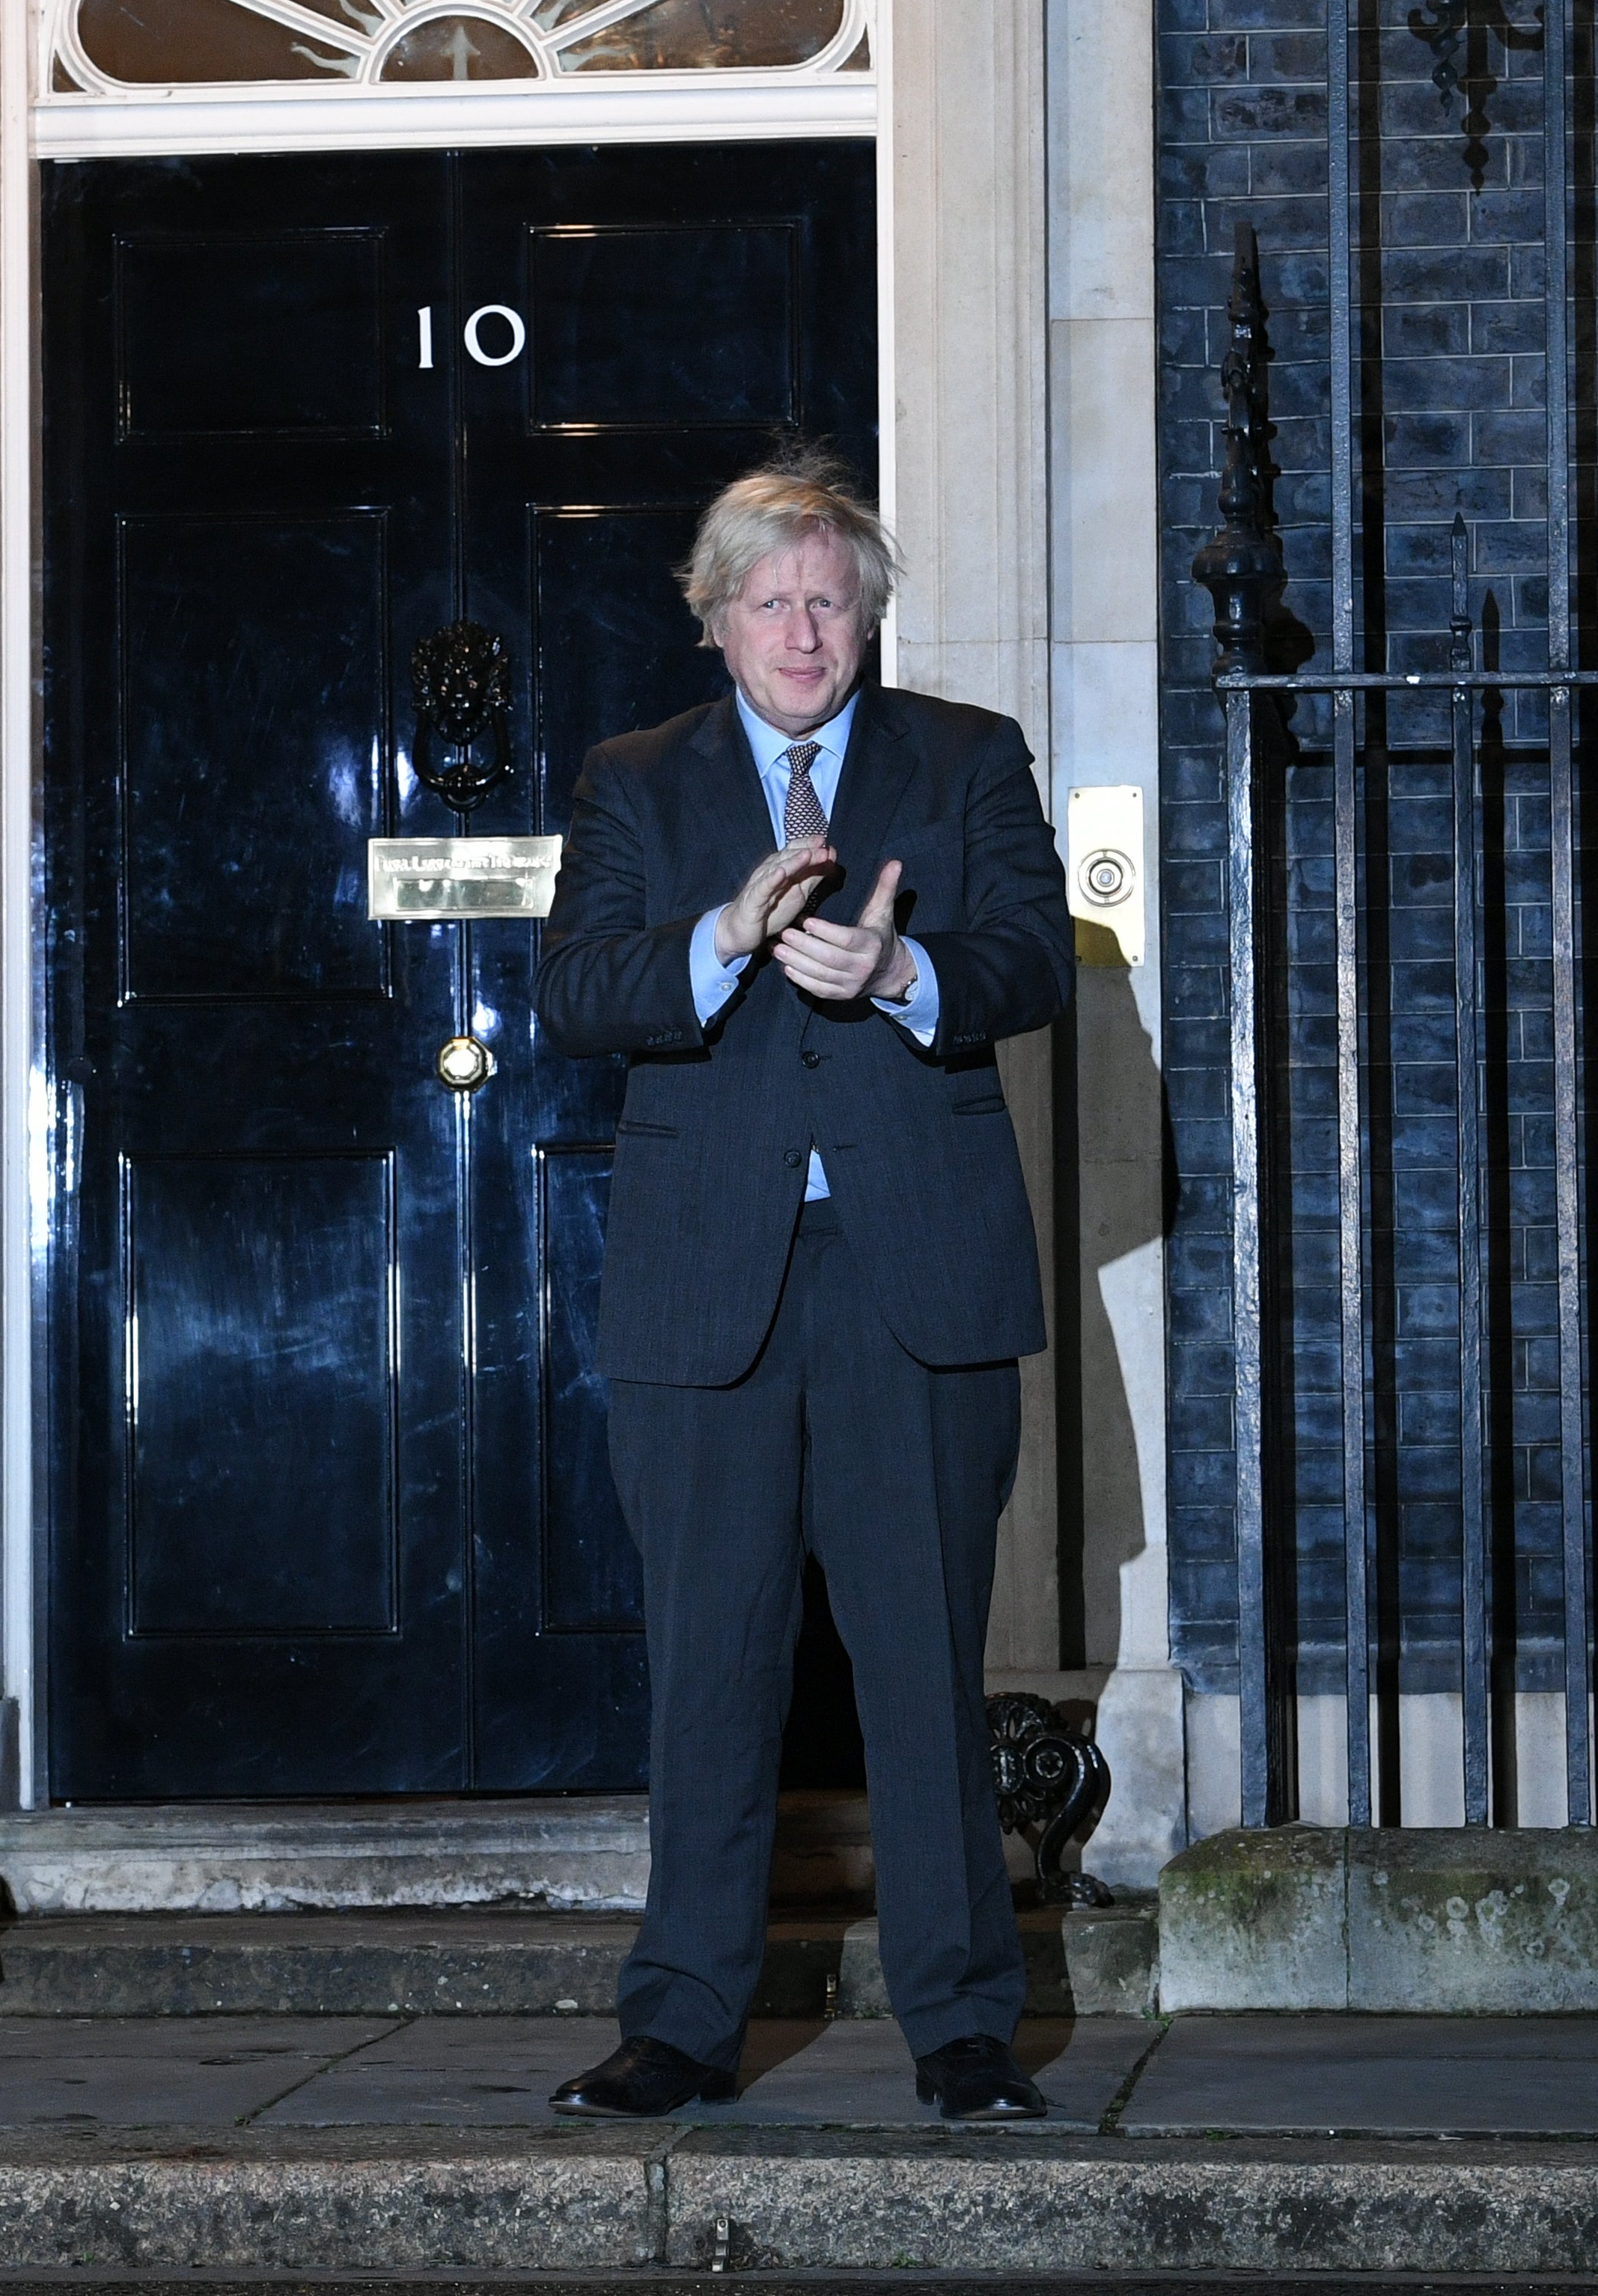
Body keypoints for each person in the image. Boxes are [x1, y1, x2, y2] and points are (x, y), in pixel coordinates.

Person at [534, 454, 1073, 2124]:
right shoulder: (637, 780)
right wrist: (721, 937)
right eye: (768, 599)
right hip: (712, 1290)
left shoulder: (966, 758)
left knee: (923, 1663)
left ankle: (964, 2026)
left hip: (911, 1276)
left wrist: (905, 968)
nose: (801, 628)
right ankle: (684, 2019)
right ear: (714, 622)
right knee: (712, 1665)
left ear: (870, 615)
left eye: (829, 598)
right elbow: (576, 987)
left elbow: (1039, 957)